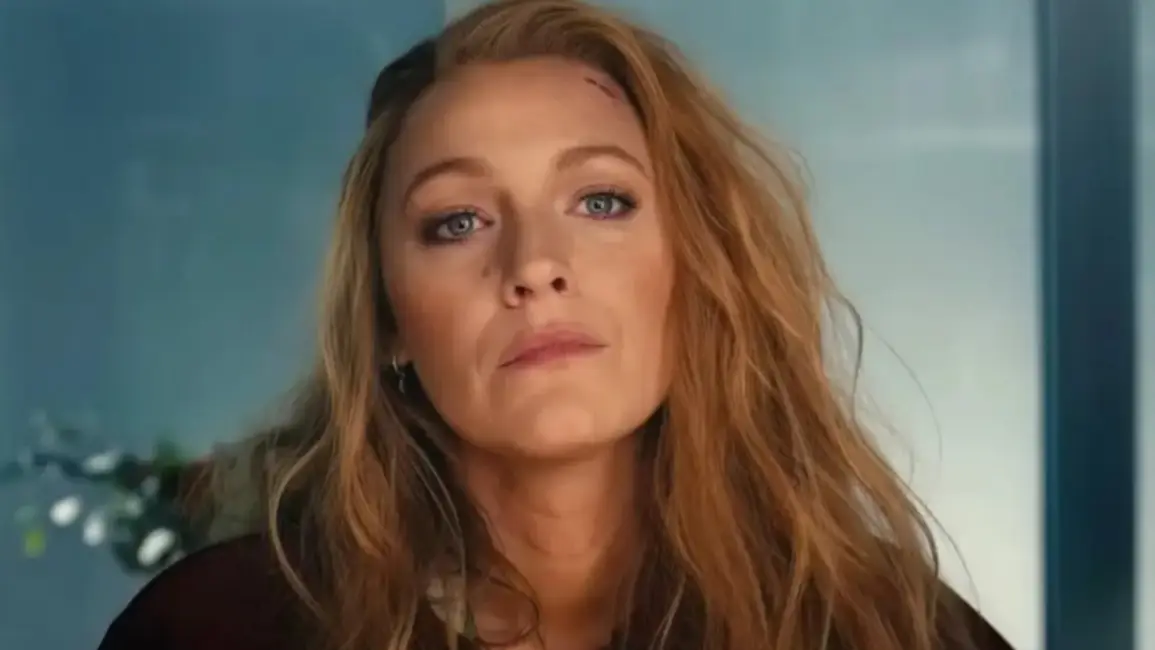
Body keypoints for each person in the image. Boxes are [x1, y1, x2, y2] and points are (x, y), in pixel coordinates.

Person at [97, 1, 1016, 649]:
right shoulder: (219, 629)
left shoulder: (884, 628)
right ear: (389, 322)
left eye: (601, 201)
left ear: (697, 269)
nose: (535, 264)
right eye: (458, 221)